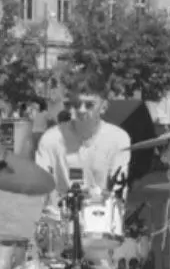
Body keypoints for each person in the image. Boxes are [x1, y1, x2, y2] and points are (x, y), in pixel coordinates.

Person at [33, 73, 132, 203]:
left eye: (89, 105)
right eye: (76, 104)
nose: (81, 110)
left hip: (102, 216)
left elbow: (119, 192)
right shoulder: (51, 139)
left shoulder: (119, 139)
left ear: (104, 107)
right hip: (61, 217)